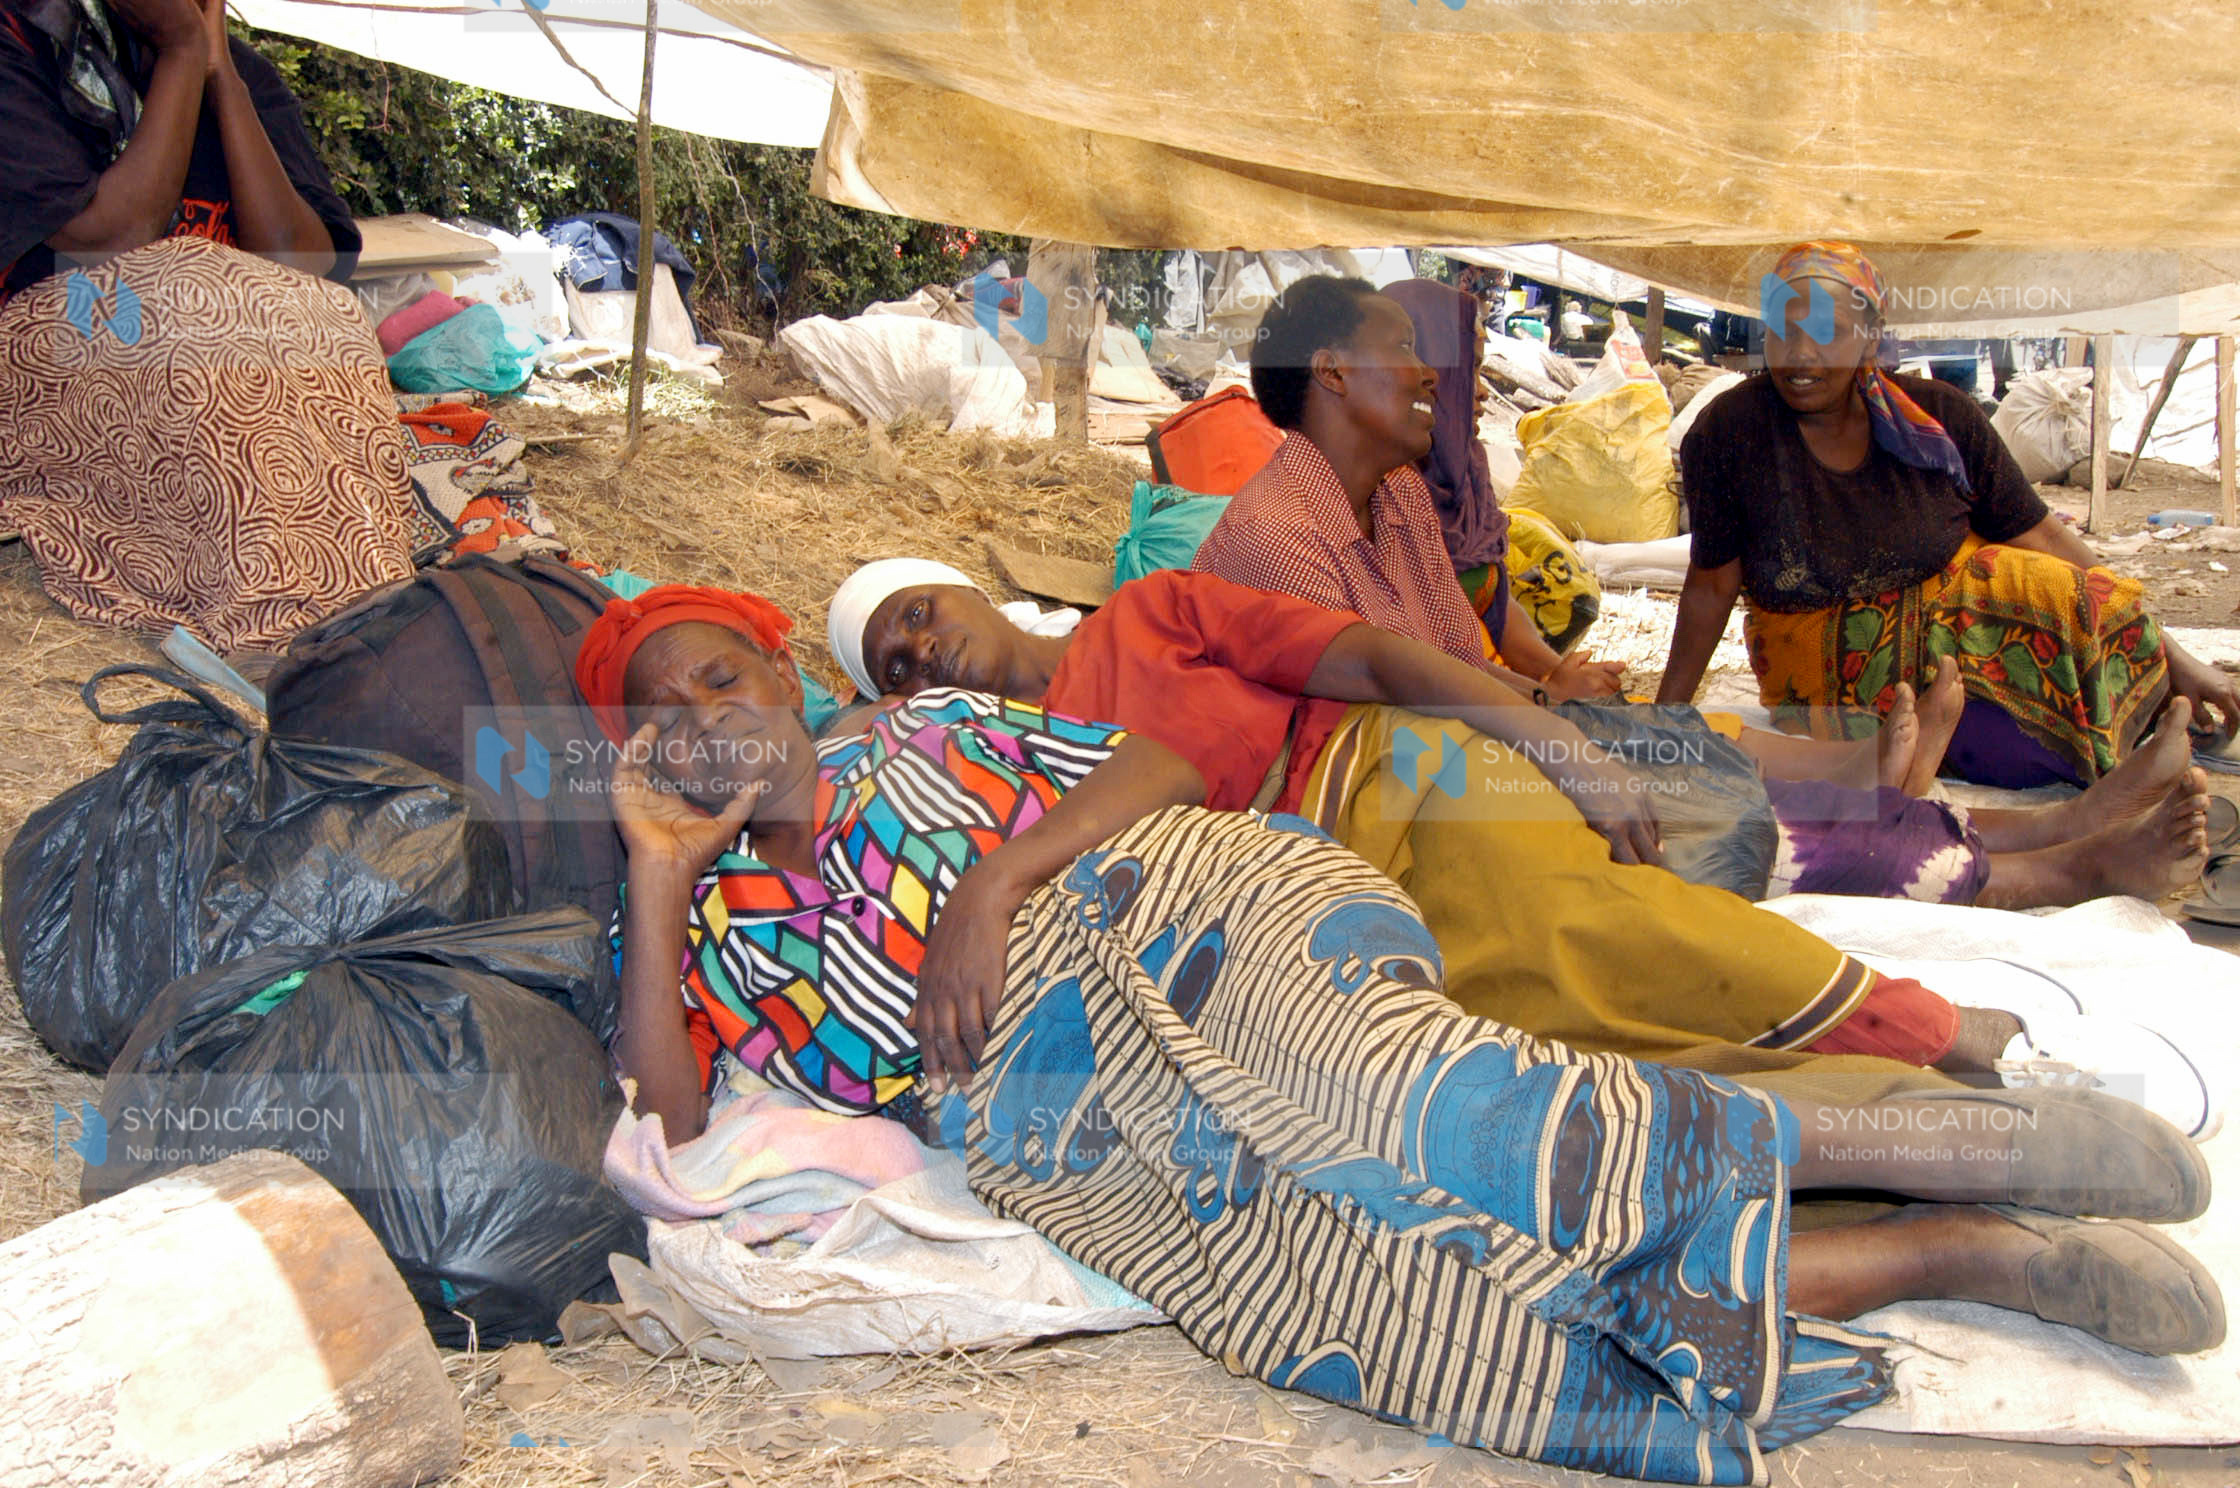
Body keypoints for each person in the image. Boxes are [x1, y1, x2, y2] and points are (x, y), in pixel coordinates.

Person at [585, 584, 2220, 1485]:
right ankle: (1965, 1251)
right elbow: (673, 1122)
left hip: (1177, 909)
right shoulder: (721, 935)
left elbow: (1168, 760)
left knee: (1413, 1108)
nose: (706, 714)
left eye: (723, 670)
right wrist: (660, 874)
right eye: (665, 712)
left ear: (783, 671)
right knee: (1397, 1306)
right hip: (1063, 1120)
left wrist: (993, 883)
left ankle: (1936, 1136)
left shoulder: (918, 731)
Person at [828, 557, 2225, 1148]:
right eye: (886, 663)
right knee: (1549, 1050)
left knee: (1599, 922)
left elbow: (1368, 655)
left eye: (913, 611)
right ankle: (1909, 1093)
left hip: (1390, 775)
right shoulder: (997, 784)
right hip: (1309, 906)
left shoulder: (1145, 617)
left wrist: (1556, 737)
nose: (913, 648)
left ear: (959, 581)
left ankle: (1950, 1027)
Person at [1193, 273, 2212, 922]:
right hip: (1398, 802)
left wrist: (1555, 695)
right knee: (1700, 813)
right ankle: (2048, 869)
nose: (1428, 370)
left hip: (1464, 741)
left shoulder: (1400, 495)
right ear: (1329, 373)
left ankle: (2047, 823)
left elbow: (1461, 656)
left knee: (1683, 752)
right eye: (1399, 351)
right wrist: (1559, 728)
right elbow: (1384, 728)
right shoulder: (1278, 536)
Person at [1657, 241, 2240, 788]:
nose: (1802, 355)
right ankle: (2104, 757)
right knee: (2023, 746)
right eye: (1784, 333)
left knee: (2064, 590)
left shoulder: (1939, 418)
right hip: (1823, 670)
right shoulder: (1730, 434)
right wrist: (1663, 720)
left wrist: (2166, 649)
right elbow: (1710, 587)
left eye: (1827, 334)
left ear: (1868, 340)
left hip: (1964, 644)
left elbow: (2040, 534)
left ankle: (2156, 723)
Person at [0, 0, 411, 650]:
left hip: (199, 330)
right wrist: (184, 54)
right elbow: (114, 243)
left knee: (329, 319)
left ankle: (355, 610)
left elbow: (303, 267)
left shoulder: (244, 75)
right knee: (191, 296)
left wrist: (220, 80)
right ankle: (274, 625)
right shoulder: (21, 44)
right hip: (52, 326)